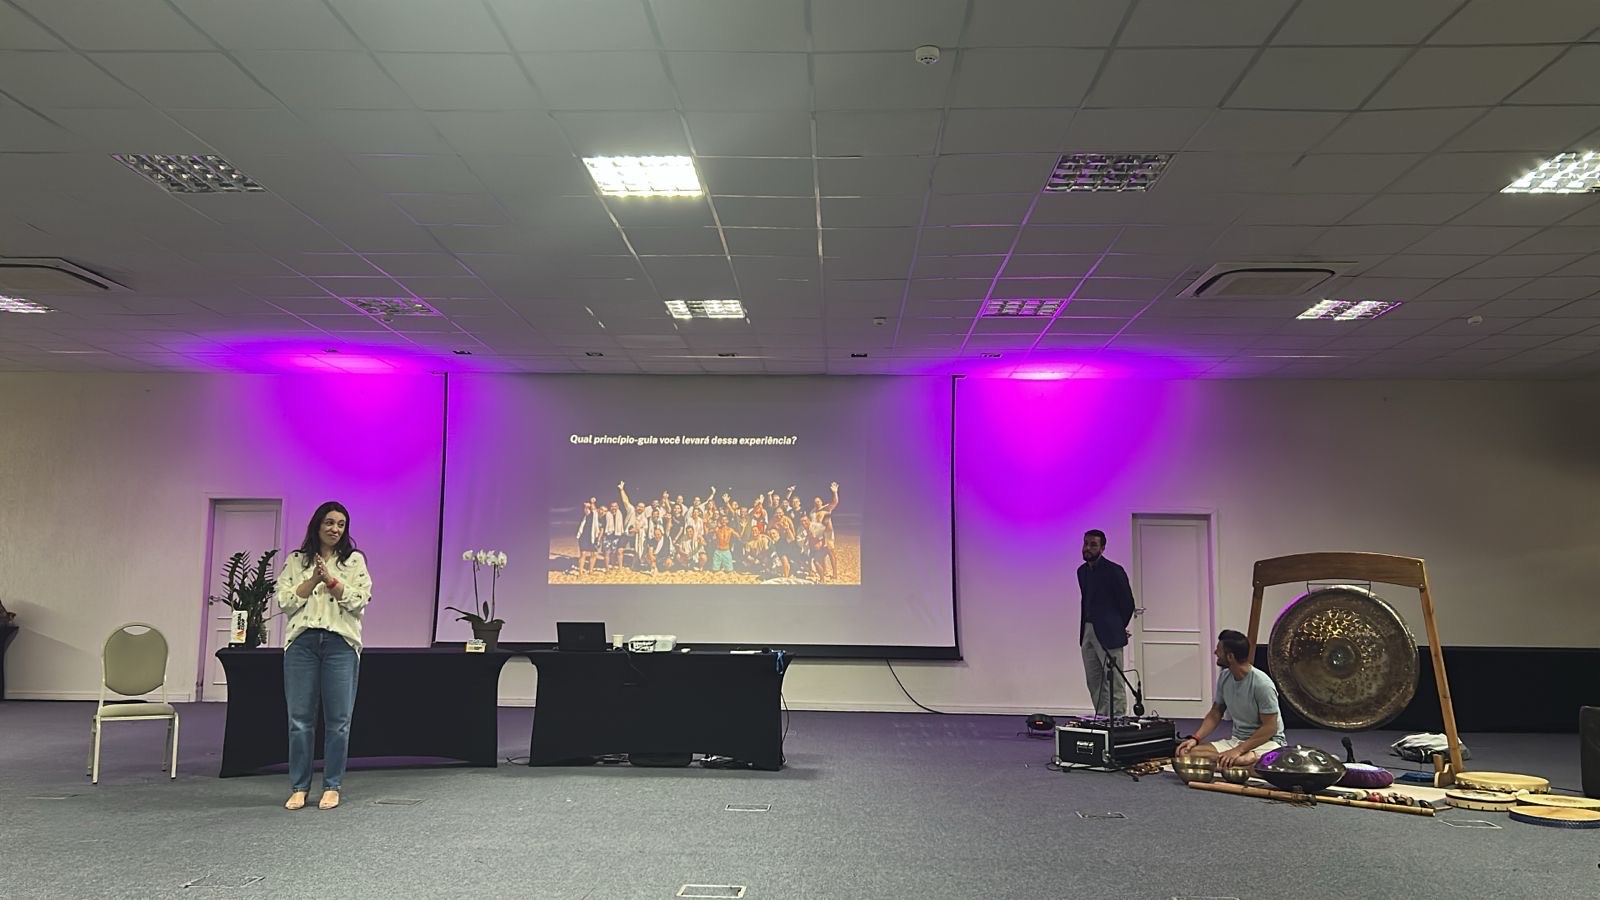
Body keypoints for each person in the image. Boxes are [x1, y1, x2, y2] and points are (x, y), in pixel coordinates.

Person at [275, 501, 372, 811]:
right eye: (329, 522)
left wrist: (330, 580)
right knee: (300, 720)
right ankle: (299, 787)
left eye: (341, 524)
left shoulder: (354, 561)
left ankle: (332, 785)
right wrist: (314, 579)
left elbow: (359, 600)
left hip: (340, 644)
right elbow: (285, 601)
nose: (335, 529)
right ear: (317, 525)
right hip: (302, 644)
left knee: (339, 720)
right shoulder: (296, 560)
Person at [1175, 630, 1288, 767]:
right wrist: (1195, 738)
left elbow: (1270, 728)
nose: (1215, 652)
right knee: (1185, 753)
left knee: (1240, 760)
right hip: (1237, 741)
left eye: (1218, 650)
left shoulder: (1262, 684)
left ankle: (1242, 761)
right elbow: (1215, 713)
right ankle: (1238, 763)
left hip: (1267, 742)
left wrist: (1237, 751)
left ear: (1230, 657)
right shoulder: (1224, 677)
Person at [1077, 529, 1135, 717]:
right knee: (1094, 678)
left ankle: (1117, 717)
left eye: (1093, 545)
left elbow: (1127, 604)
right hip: (1088, 629)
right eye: (1086, 543)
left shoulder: (1114, 571)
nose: (1087, 548)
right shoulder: (1082, 572)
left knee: (1114, 679)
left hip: (1109, 632)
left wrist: (1118, 626)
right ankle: (1102, 716)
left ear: (1102, 548)